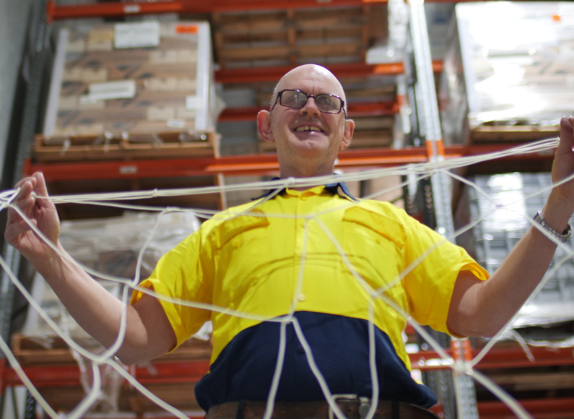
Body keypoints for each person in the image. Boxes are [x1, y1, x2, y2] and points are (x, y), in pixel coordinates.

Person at [5, 64, 574, 418]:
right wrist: (49, 255)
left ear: (346, 132)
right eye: (293, 98)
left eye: (328, 102)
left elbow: (480, 312)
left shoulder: (391, 223)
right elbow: (133, 339)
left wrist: (559, 204)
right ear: (264, 124)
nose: (310, 107)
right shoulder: (220, 232)